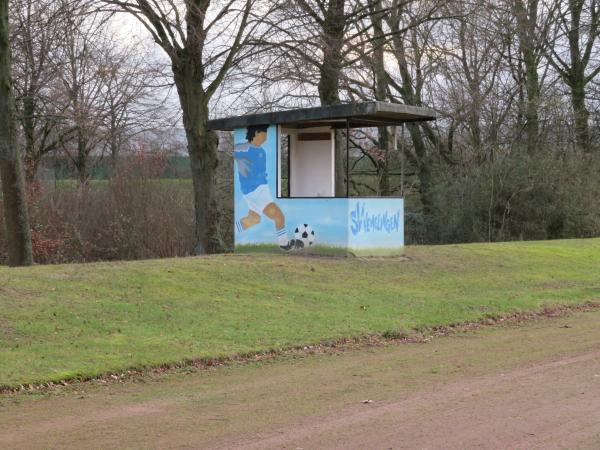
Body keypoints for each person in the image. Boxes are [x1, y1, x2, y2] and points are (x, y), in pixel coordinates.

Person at [234, 125, 297, 250]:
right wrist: (239, 160)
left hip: (257, 191)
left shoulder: (261, 150)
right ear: (257, 133)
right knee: (279, 216)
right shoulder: (245, 148)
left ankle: (233, 230)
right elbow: (233, 150)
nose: (266, 137)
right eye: (264, 133)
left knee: (254, 219)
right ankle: (284, 244)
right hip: (256, 191)